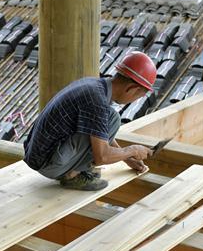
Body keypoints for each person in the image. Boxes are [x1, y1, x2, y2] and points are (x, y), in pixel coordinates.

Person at [23, 51, 157, 191]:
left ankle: (73, 169)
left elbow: (100, 132)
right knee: (114, 119)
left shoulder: (95, 85)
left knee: (110, 118)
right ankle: (72, 175)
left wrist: (127, 159)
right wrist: (132, 150)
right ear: (132, 89)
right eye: (137, 96)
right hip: (47, 164)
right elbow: (102, 156)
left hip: (40, 156)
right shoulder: (97, 102)